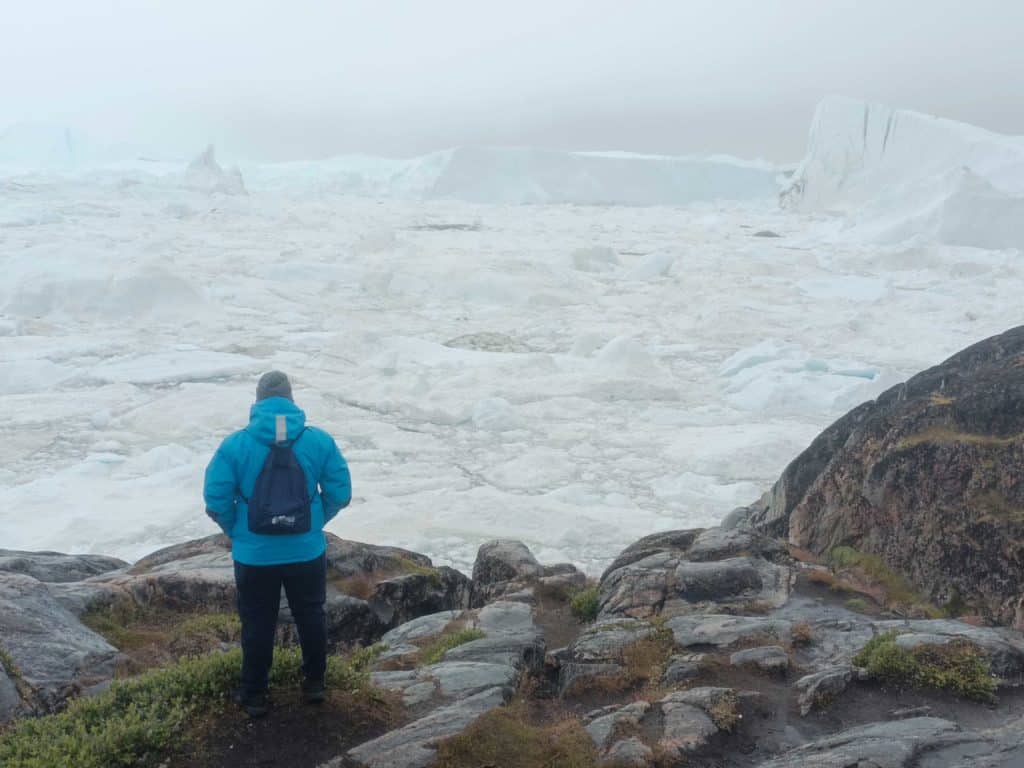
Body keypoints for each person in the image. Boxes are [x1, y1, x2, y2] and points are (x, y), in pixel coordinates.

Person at [204, 371, 351, 717]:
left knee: (257, 621)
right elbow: (340, 493)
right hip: (306, 551)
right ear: (291, 400)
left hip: (254, 555)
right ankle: (314, 684)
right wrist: (315, 523)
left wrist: (237, 530)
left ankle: (254, 695)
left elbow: (215, 499)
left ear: (257, 402)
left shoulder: (234, 446)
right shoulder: (319, 442)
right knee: (311, 614)